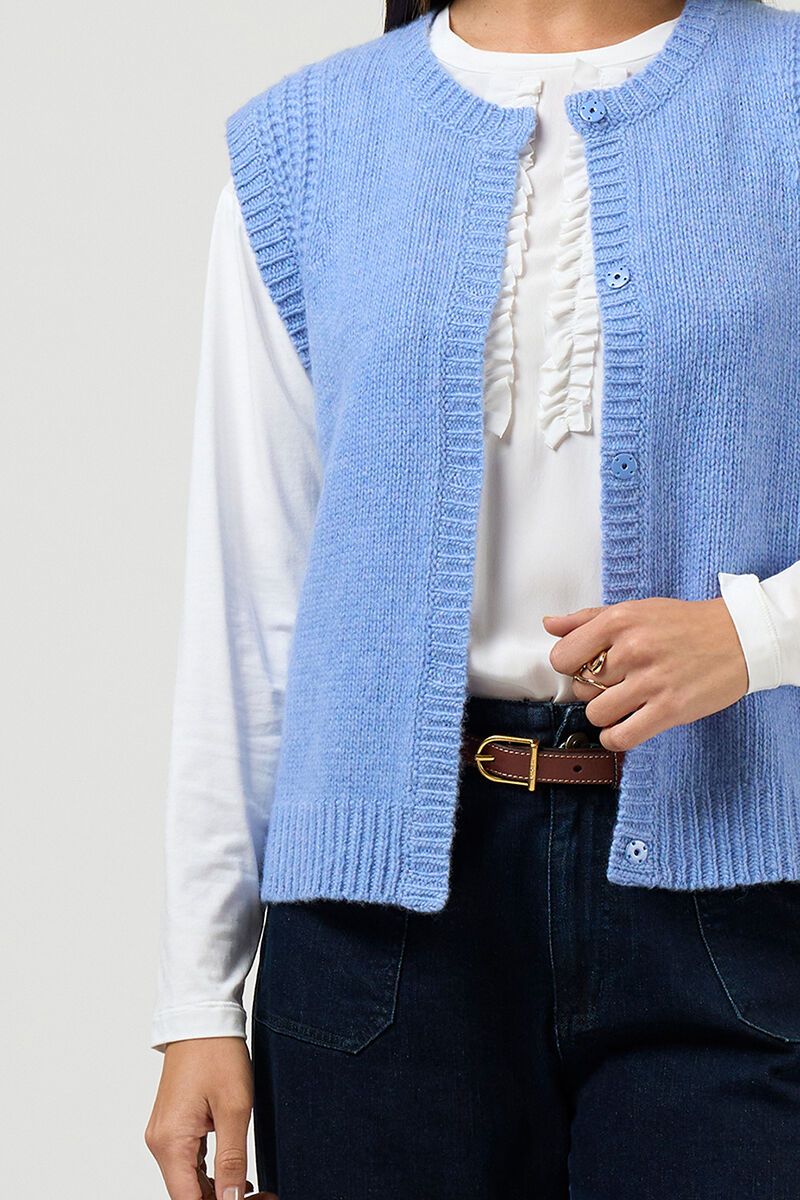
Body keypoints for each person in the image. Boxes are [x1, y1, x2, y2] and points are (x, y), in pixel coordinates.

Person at [145, 0, 800, 1196]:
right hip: (379, 920)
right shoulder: (306, 142)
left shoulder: (786, 97)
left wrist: (754, 636)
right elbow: (254, 588)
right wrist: (198, 991)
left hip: (741, 884)